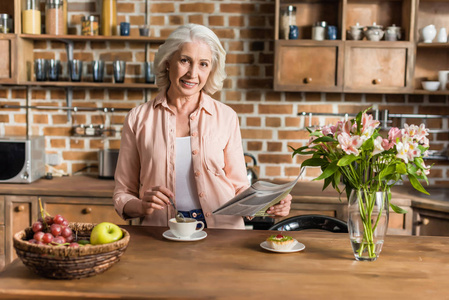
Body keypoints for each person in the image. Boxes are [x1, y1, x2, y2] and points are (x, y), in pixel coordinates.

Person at [113, 24, 292, 229]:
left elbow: (239, 188)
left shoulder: (226, 117)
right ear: (168, 62)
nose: (192, 73)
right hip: (161, 233)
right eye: (184, 60)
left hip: (223, 233)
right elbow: (122, 193)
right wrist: (141, 206)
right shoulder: (138, 118)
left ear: (211, 70)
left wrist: (269, 205)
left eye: (203, 64)